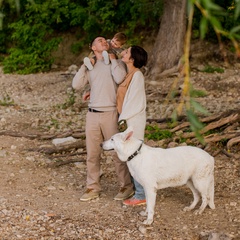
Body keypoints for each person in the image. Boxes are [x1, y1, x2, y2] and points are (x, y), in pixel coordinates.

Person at [72, 36, 134, 202]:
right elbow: (76, 85)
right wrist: (84, 67)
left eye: (105, 40)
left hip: (111, 113)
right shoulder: (90, 65)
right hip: (92, 114)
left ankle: (126, 186)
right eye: (99, 40)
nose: (104, 41)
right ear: (93, 47)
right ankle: (92, 187)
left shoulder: (116, 62)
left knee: (117, 152)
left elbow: (120, 78)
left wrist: (113, 60)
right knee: (92, 153)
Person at [117, 45, 148, 206]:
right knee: (131, 157)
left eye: (127, 52)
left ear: (132, 59)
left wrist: (122, 120)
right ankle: (139, 191)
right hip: (126, 120)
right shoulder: (129, 75)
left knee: (135, 158)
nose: (124, 53)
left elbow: (135, 102)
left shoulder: (137, 76)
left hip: (132, 122)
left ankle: (141, 194)